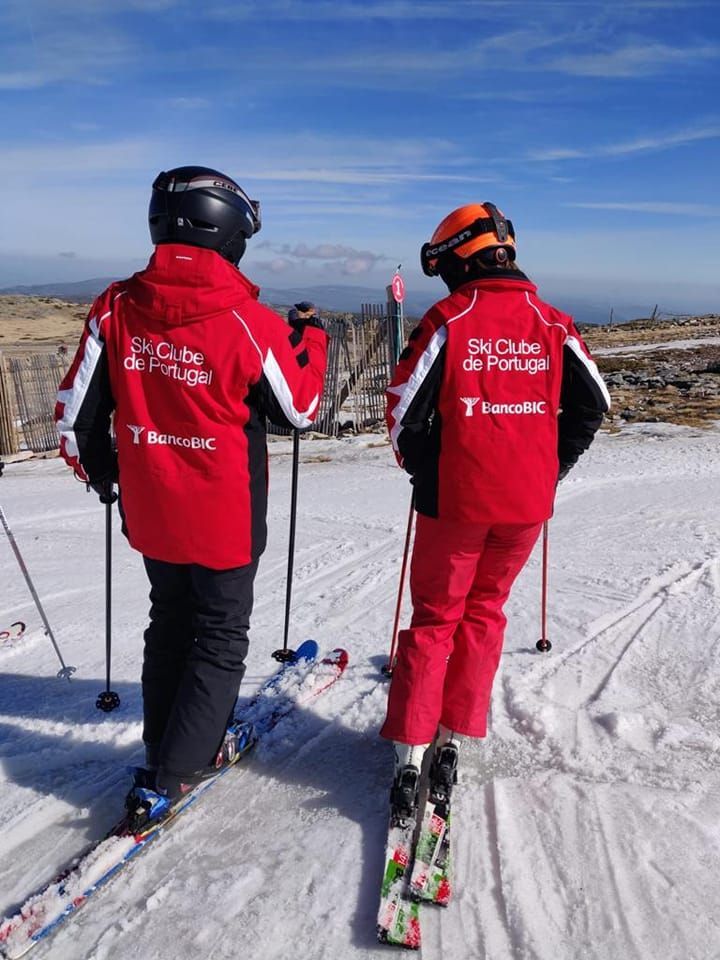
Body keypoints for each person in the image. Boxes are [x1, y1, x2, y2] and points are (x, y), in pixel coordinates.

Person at [55, 166, 328, 825]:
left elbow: (77, 418)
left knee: (170, 621)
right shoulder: (248, 321)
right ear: (229, 234)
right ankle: (176, 770)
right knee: (219, 635)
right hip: (225, 514)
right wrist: (312, 338)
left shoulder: (117, 307)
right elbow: (300, 409)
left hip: (151, 508)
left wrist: (108, 479)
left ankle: (164, 746)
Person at [380, 202, 610, 815]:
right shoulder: (553, 321)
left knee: (435, 619)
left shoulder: (450, 318)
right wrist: (550, 469)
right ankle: (453, 737)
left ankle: (410, 749)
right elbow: (593, 403)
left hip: (455, 503)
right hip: (525, 505)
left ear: (458, 257)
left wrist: (428, 472)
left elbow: (402, 411)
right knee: (484, 612)